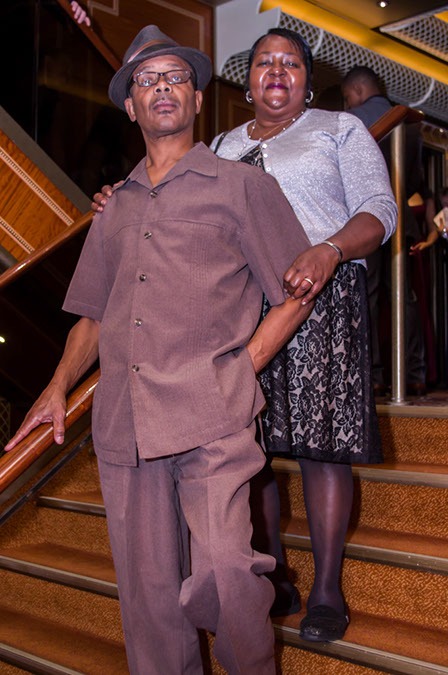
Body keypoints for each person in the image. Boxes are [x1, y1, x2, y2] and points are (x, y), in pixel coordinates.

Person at [5, 25, 315, 674]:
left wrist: (244, 365)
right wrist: (57, 386)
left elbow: (296, 292)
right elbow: (94, 314)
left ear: (197, 99)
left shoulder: (243, 186)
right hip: (125, 426)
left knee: (229, 576)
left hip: (214, 419)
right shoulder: (113, 209)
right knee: (149, 607)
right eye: (147, 81)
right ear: (131, 105)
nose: (163, 87)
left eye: (176, 77)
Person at [93, 28, 397, 643]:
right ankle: (273, 574)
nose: (276, 71)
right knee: (252, 448)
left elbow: (380, 211)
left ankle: (327, 589)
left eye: (290, 63)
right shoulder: (224, 145)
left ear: (308, 81)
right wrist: (115, 198)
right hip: (243, 305)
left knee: (319, 449)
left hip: (319, 298)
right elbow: (172, 190)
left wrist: (330, 249)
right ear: (249, 82)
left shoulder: (340, 129)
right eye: (264, 62)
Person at [342, 65, 426, 396]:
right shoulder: (409, 123)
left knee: (370, 294)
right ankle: (415, 373)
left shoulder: (352, 120)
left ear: (357, 91)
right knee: (405, 297)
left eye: (348, 97)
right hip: (402, 217)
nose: (348, 103)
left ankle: (374, 375)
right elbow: (415, 180)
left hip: (366, 220)